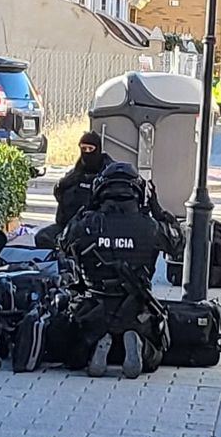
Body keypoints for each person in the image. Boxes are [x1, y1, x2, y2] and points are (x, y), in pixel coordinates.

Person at [60, 163, 184, 379]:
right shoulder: (150, 226)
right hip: (136, 307)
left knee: (72, 348)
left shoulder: (86, 223)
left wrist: (87, 209)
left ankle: (97, 344)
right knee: (156, 353)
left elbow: (62, 242)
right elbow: (178, 244)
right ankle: (139, 345)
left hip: (94, 306)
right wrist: (159, 211)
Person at [34, 131, 113, 249]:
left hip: (97, 229)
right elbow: (59, 193)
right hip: (68, 227)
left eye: (90, 149)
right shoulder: (74, 174)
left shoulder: (109, 173)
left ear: (98, 149)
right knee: (42, 237)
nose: (86, 153)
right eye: (83, 148)